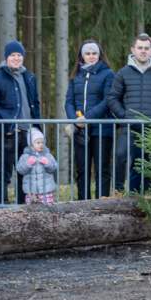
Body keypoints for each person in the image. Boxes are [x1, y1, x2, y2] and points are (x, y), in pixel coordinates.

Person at [107, 33, 151, 193]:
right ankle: (118, 191)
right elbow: (112, 98)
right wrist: (123, 116)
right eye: (140, 48)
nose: (143, 51)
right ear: (133, 50)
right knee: (120, 156)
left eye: (146, 48)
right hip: (129, 126)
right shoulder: (123, 73)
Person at [0, 40, 41, 205]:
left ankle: (23, 206)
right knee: (5, 171)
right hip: (8, 132)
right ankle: (2, 205)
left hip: (28, 132)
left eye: (19, 55)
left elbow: (35, 104)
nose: (16, 58)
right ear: (6, 57)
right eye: (13, 55)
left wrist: (37, 128)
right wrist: (3, 125)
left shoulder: (29, 77)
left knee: (26, 170)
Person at [65, 39, 115, 200]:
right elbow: (69, 101)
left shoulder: (108, 74)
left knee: (102, 169)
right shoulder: (75, 76)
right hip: (81, 129)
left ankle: (102, 205)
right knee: (82, 169)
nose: (91, 56)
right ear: (81, 56)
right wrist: (76, 119)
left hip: (102, 129)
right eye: (88, 53)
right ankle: (83, 204)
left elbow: (107, 100)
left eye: (94, 53)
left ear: (99, 55)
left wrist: (88, 117)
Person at [16, 128, 58, 205]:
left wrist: (47, 163)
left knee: (48, 209)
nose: (41, 144)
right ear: (31, 144)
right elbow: (20, 170)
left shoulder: (47, 155)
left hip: (46, 190)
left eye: (42, 142)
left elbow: (54, 167)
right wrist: (28, 164)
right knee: (32, 210)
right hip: (31, 191)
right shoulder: (25, 156)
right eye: (38, 143)